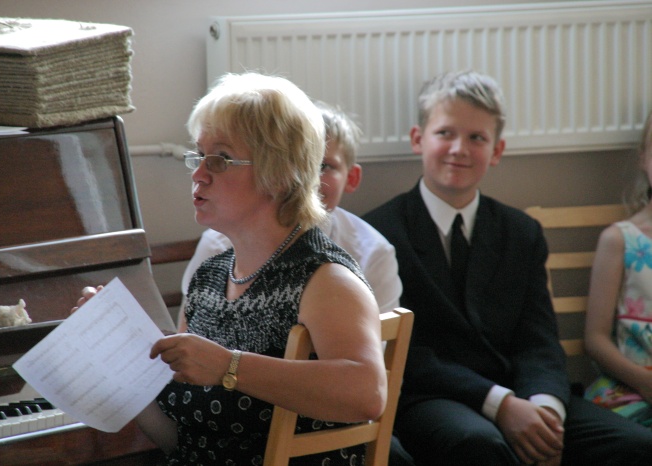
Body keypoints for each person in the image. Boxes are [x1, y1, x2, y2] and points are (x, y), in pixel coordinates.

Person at [74, 72, 387, 465]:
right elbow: (181, 440)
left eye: (220, 159)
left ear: (279, 173)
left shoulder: (325, 278)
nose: (198, 173)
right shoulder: (208, 279)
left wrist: (229, 366)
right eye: (198, 155)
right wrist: (117, 353)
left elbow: (367, 394)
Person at [362, 70, 652, 465]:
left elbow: (539, 340)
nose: (459, 149)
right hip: (432, 398)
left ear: (497, 151)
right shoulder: (381, 233)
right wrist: (500, 405)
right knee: (480, 444)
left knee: (634, 445)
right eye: (445, 133)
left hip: (522, 391)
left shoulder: (521, 231)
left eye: (477, 138)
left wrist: (546, 409)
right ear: (418, 139)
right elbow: (407, 353)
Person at [178, 100, 402, 323]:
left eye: (323, 166)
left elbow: (379, 339)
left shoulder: (370, 253)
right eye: (300, 166)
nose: (308, 177)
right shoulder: (218, 248)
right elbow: (190, 329)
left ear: (351, 178)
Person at [583, 110, 652, 428]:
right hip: (633, 387)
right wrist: (643, 381)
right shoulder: (620, 240)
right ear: (643, 158)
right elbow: (595, 339)